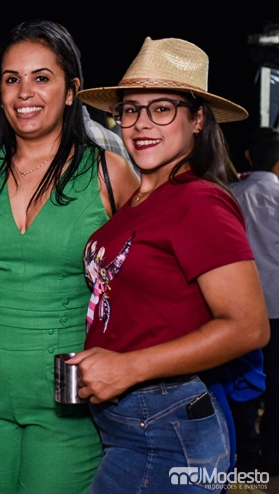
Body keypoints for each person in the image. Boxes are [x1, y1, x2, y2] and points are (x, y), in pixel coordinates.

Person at [72, 36, 270, 493]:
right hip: (132, 425)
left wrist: (128, 367)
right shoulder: (141, 199)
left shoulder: (198, 201)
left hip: (168, 430)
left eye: (162, 108)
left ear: (198, 119)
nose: (141, 123)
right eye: (130, 109)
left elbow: (248, 327)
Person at [0, 20, 140, 494]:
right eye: (11, 79)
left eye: (41, 78)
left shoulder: (110, 172)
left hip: (69, 395)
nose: (24, 93)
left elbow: (143, 285)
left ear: (72, 90)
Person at [228, 126, 279, 475]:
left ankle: (245, 457)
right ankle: (272, 457)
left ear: (247, 156)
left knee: (242, 386)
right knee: (276, 388)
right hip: (276, 306)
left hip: (238, 307)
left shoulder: (230, 195)